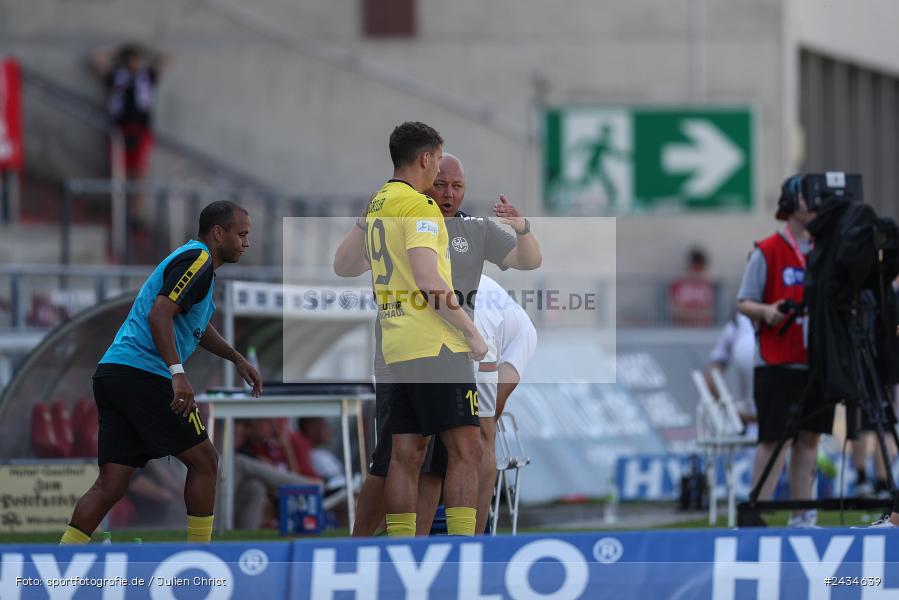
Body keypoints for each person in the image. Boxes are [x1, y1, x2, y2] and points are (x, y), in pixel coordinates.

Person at [334, 151, 541, 536]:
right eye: (441, 184)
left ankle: (420, 550)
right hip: (427, 347)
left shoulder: (474, 229)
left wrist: (523, 228)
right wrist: (365, 221)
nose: (449, 194)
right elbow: (349, 266)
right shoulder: (406, 216)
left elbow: (529, 261)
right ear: (427, 177)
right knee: (402, 458)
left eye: (458, 187)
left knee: (434, 456)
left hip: (438, 351)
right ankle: (360, 548)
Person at [59, 200, 262, 545]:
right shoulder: (197, 259)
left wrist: (235, 357)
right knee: (205, 462)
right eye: (241, 234)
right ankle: (199, 558)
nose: (246, 242)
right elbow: (160, 315)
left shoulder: (199, 268)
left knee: (111, 484)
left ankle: (60, 562)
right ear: (218, 232)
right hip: (143, 374)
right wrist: (177, 374)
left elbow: (196, 325)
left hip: (114, 373)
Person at [358, 121, 489, 537]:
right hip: (435, 344)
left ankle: (401, 550)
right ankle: (463, 551)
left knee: (404, 454)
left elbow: (343, 265)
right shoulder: (420, 206)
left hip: (395, 345)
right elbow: (429, 280)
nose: (439, 180)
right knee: (467, 450)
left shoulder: (379, 202)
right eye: (437, 162)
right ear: (426, 158)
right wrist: (470, 330)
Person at [736, 175, 834, 528]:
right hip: (778, 359)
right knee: (774, 438)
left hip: (815, 359)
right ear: (793, 203)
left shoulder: (826, 249)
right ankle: (757, 510)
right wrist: (766, 311)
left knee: (809, 438)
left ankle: (802, 513)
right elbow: (744, 301)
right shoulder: (768, 250)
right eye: (808, 198)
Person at [470, 274, 537, 533]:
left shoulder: (519, 335)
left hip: (491, 333)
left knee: (482, 433)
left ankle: (475, 537)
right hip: (475, 320)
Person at [669, 246, 716, 326]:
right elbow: (673, 310)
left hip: (702, 330)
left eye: (700, 268)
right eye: (695, 268)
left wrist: (688, 313)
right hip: (681, 330)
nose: (697, 272)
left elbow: (711, 312)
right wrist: (696, 314)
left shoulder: (709, 286)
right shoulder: (678, 285)